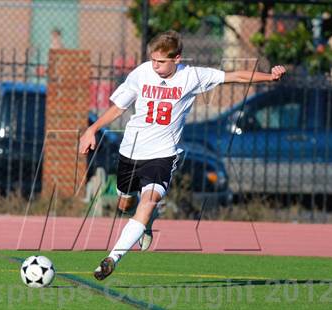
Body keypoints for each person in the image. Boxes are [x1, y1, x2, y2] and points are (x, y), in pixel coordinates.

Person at [79, 30, 286, 281]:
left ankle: (112, 258)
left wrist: (269, 77)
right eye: (153, 60)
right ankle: (144, 223)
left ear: (177, 58)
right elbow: (118, 107)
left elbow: (235, 76)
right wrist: (92, 129)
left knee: (149, 201)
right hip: (131, 151)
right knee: (125, 204)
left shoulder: (192, 76)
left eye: (161, 61)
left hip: (163, 154)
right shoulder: (141, 73)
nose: (155, 65)